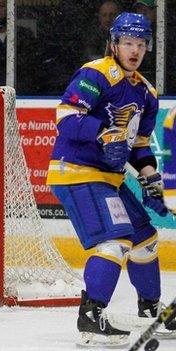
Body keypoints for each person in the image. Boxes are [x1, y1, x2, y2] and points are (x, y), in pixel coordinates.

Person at [45, 12, 173, 348]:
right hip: (76, 172)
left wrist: (149, 177)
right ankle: (91, 315)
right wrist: (103, 134)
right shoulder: (96, 73)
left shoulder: (146, 92)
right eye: (128, 43)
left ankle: (150, 311)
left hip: (108, 179)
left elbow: (140, 143)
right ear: (114, 44)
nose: (135, 50)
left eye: (141, 44)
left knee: (145, 238)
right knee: (114, 242)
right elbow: (67, 116)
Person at [133, 0, 156, 82]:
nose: (142, 13)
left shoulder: (165, 36)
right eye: (140, 9)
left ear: (157, 11)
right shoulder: (128, 35)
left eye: (147, 9)